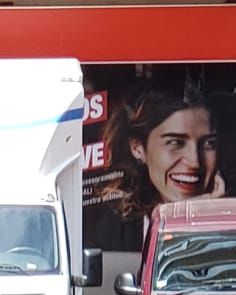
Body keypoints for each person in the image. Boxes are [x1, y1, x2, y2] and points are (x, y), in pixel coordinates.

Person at [94, 79, 225, 253]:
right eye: (175, 142)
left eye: (208, 143)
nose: (194, 161)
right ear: (138, 148)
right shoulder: (117, 228)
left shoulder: (232, 223)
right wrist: (173, 216)